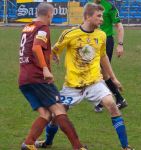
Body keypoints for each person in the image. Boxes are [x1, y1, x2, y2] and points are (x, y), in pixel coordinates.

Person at [35, 3, 134, 150]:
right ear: (87, 16)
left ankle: (126, 146)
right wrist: (53, 58)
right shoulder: (70, 34)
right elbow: (54, 49)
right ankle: (48, 142)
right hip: (72, 85)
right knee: (56, 115)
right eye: (98, 16)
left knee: (112, 105)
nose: (101, 19)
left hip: (94, 82)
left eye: (102, 16)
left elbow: (103, 56)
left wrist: (113, 78)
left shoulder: (101, 35)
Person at [18, 2, 87, 150]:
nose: (52, 17)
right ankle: (78, 146)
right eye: (53, 14)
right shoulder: (43, 27)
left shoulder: (27, 27)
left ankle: (29, 143)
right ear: (49, 14)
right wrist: (45, 69)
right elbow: (36, 47)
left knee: (45, 114)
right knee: (59, 110)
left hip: (24, 78)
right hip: (37, 77)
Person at [88, 0, 127, 112]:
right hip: (91, 40)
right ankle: (112, 99)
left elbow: (120, 26)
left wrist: (120, 44)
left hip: (106, 41)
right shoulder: (89, 5)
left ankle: (110, 100)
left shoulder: (109, 7)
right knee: (100, 72)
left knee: (101, 71)